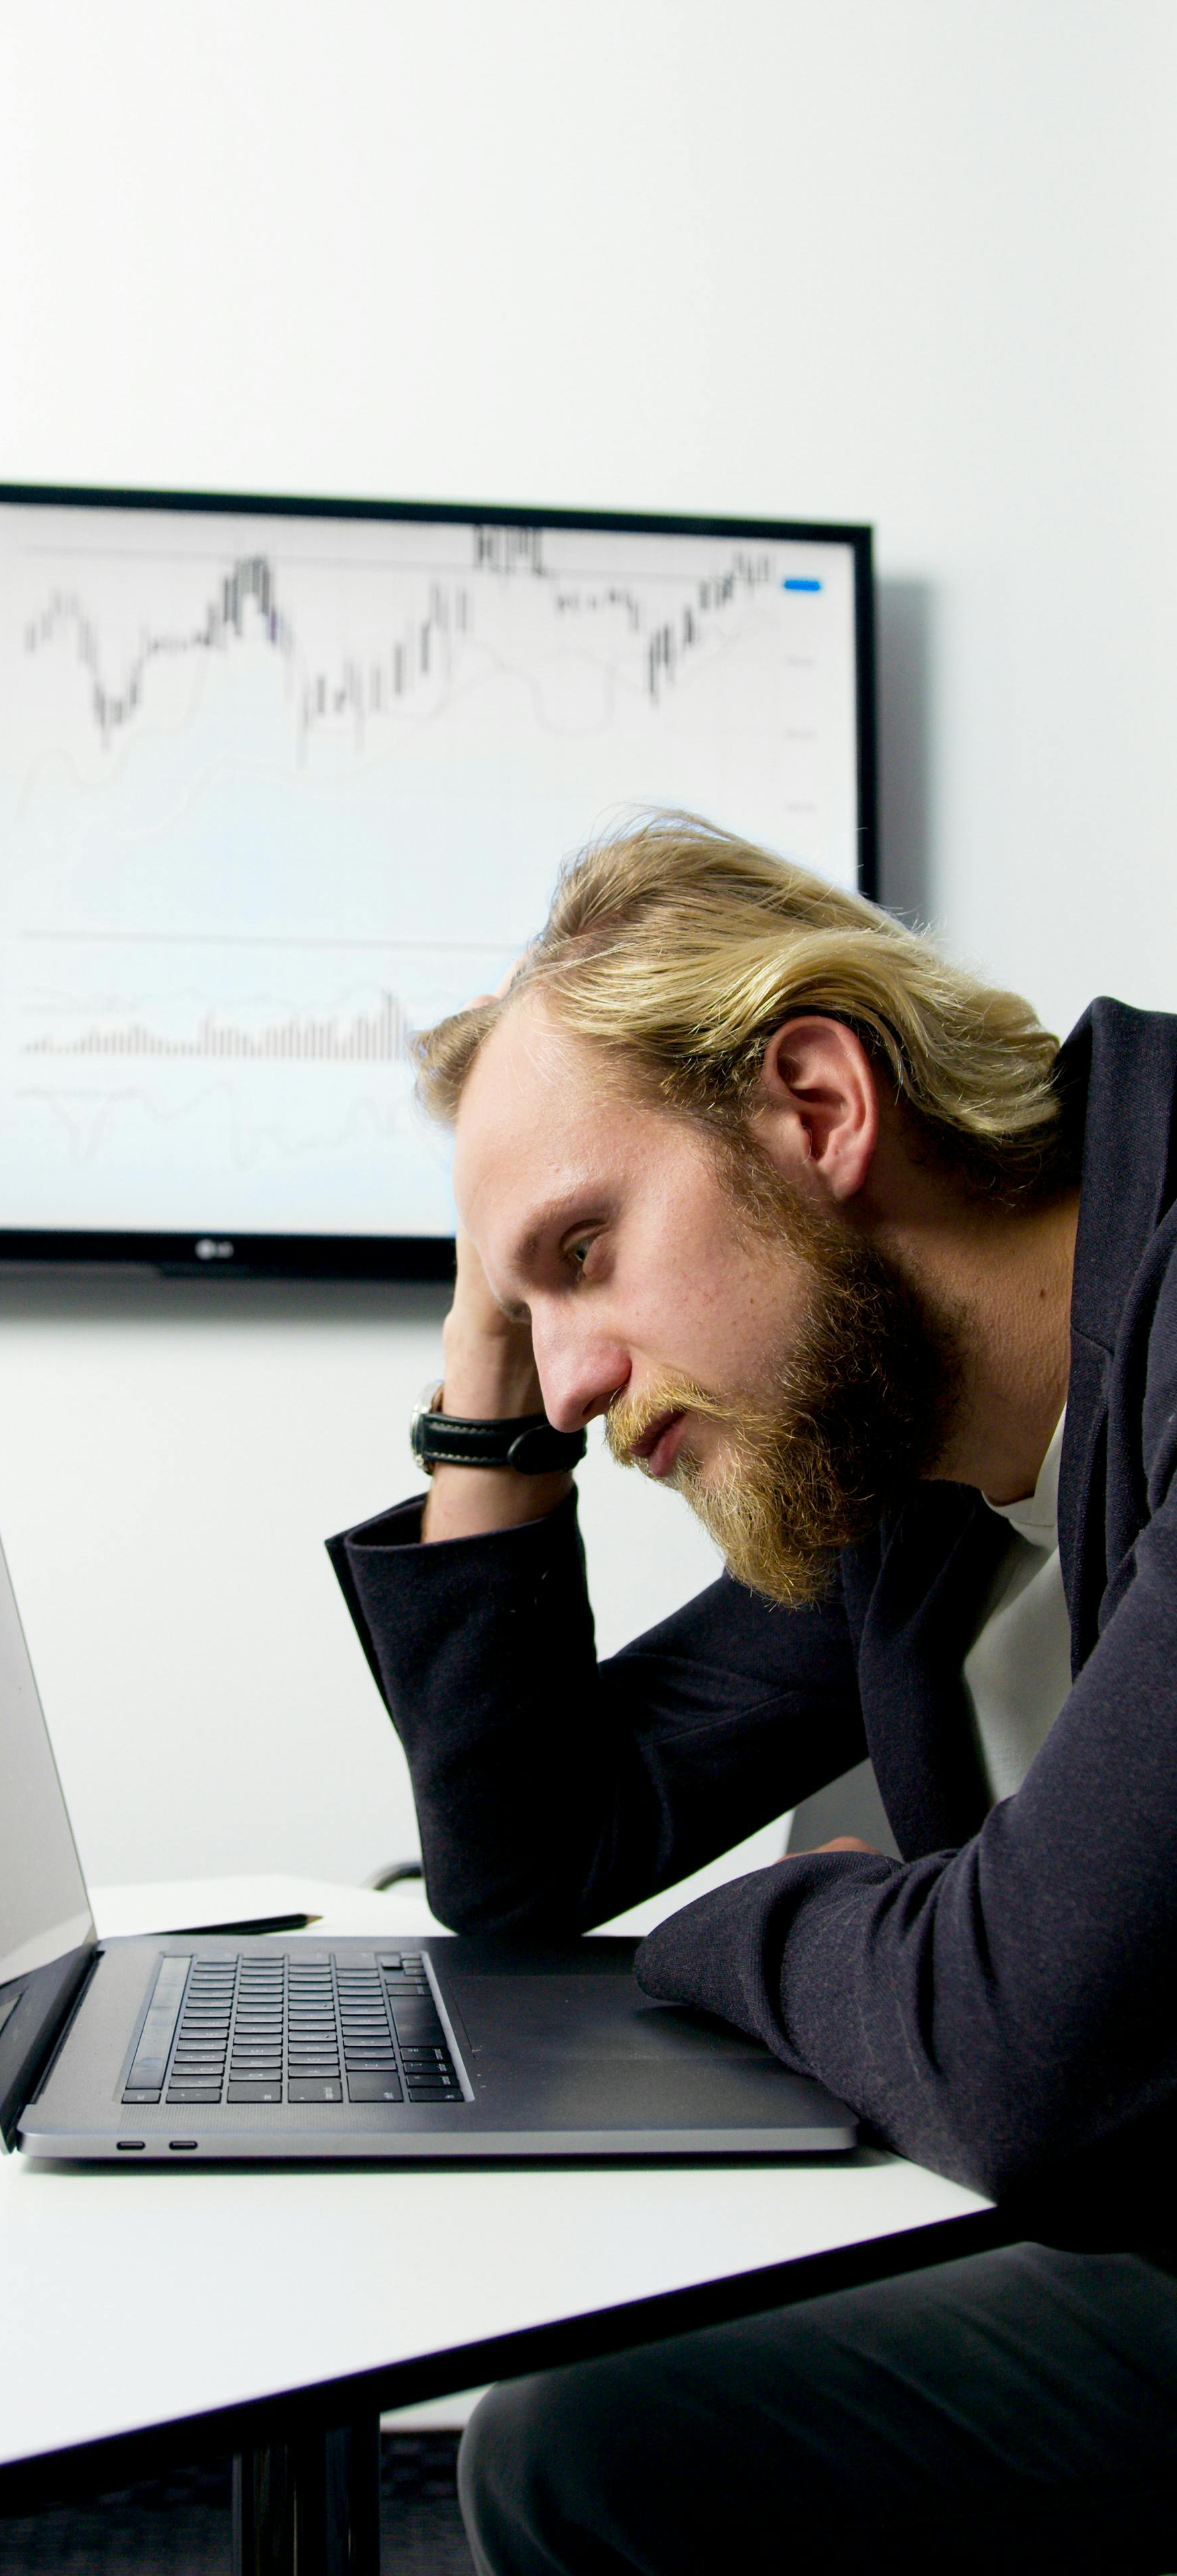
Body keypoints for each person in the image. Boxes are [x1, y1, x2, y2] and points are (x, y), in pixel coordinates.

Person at [327, 813, 1177, 2574]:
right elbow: (531, 1854)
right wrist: (477, 1373)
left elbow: (1023, 2053)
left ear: (817, 1108)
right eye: (522, 1316)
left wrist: (765, 1920)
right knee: (585, 2441)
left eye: (581, 1252)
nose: (566, 1390)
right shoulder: (913, 1463)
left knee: (594, 2458)